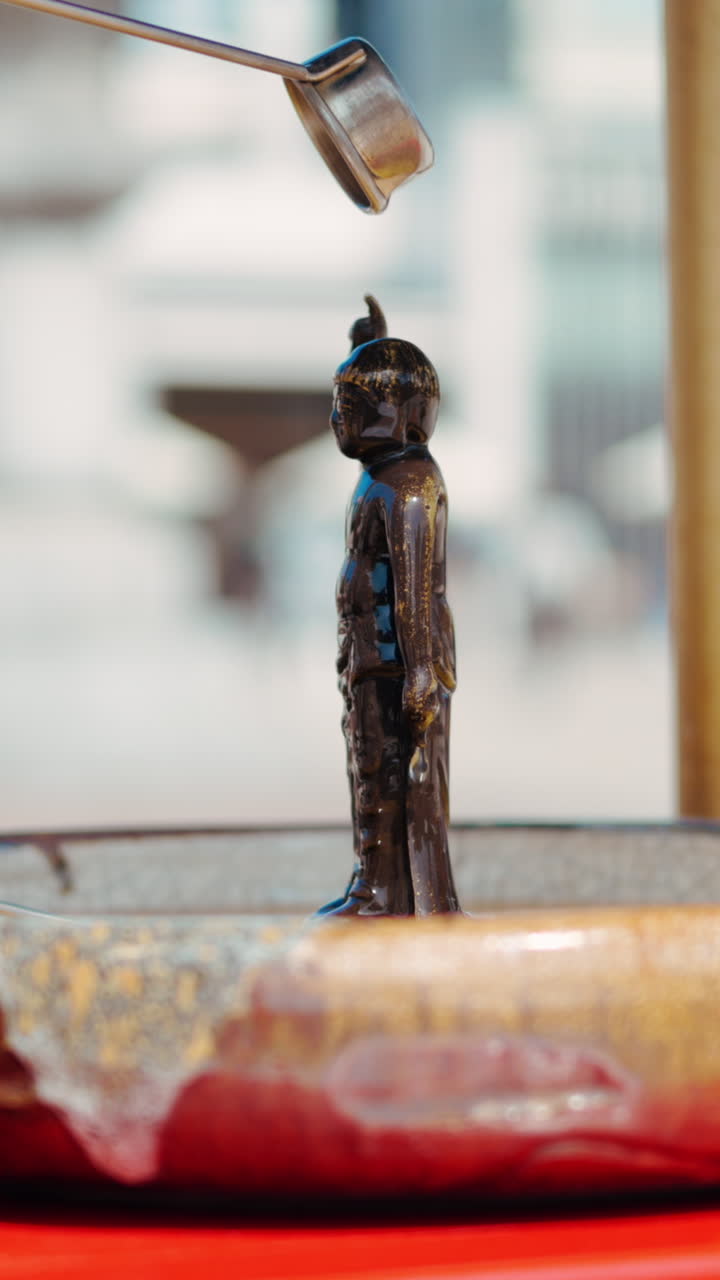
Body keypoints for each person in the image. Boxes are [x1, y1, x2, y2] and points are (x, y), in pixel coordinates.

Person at [317, 297, 460, 916]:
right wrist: (367, 346)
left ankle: (390, 894)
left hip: (398, 663)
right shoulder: (383, 475)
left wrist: (422, 668)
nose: (337, 419)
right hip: (372, 658)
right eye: (338, 404)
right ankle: (374, 881)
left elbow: (415, 586)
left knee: (396, 775)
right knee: (372, 769)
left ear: (402, 417)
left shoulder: (408, 485)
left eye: (351, 406)